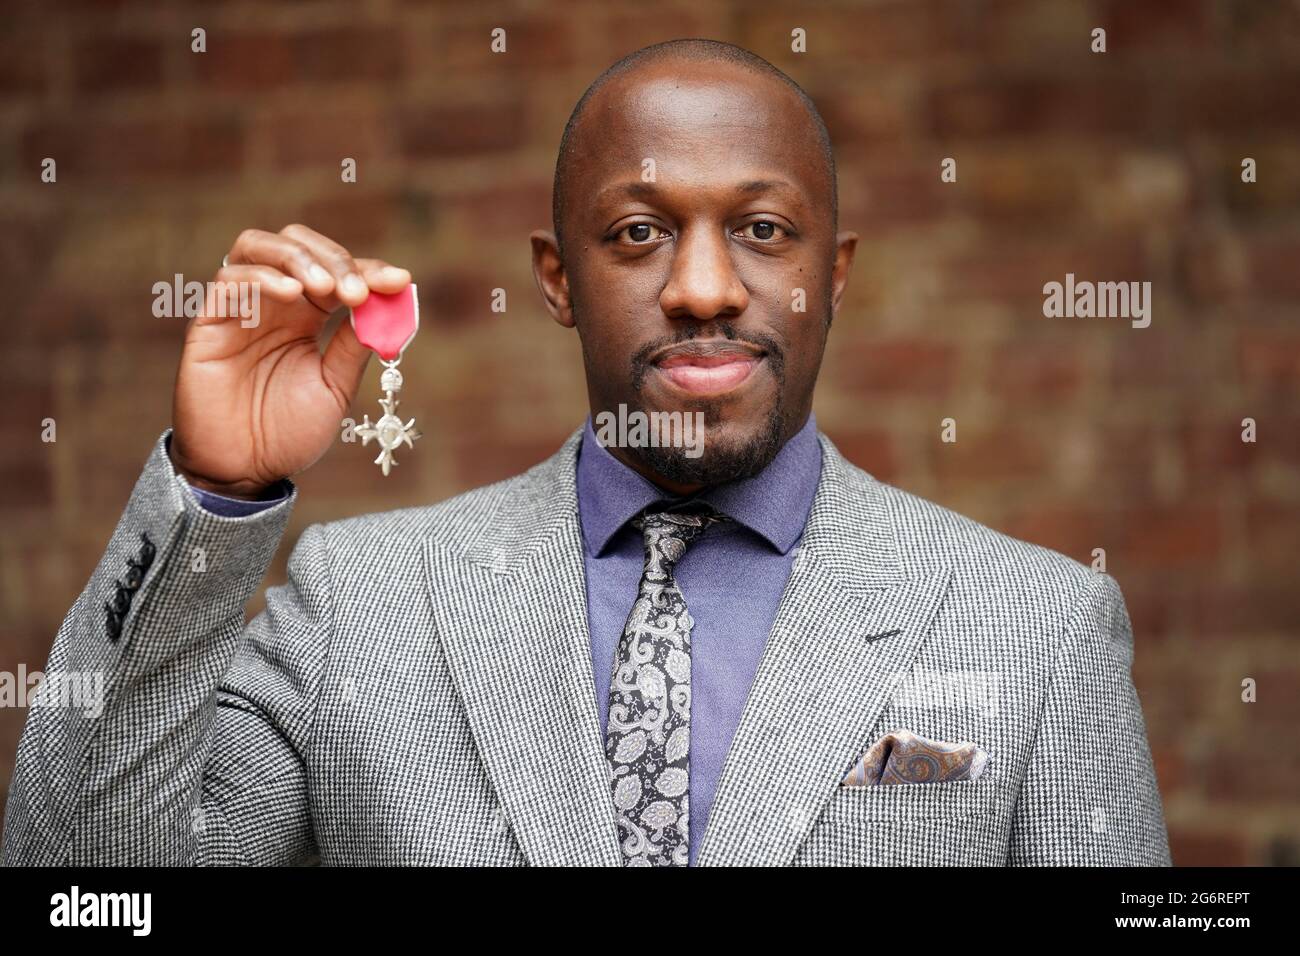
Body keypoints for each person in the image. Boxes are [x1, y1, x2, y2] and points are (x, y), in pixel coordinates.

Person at [1, 38, 1170, 866]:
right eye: (638, 233)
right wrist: (218, 492)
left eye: (762, 231)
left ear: (835, 276)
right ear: (557, 281)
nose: (704, 287)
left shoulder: (1040, 628)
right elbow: (89, 887)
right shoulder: (357, 607)